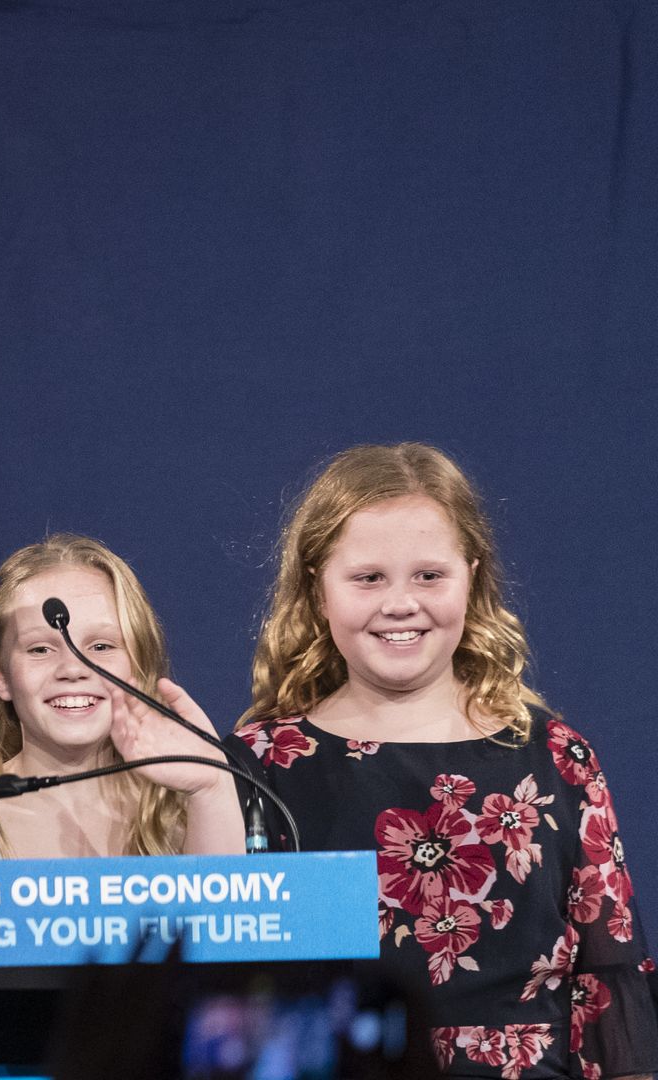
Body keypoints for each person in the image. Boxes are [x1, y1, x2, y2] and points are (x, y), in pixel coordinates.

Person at [226, 442, 658, 1078]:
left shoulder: (556, 759)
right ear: (319, 591)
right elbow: (234, 995)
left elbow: (610, 982)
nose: (401, 603)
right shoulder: (262, 764)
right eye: (368, 578)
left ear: (472, 576)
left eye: (429, 575)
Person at [0, 534, 244, 861]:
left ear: (138, 664)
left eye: (101, 646)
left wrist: (211, 787)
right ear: (1, 676)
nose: (73, 669)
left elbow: (225, 923)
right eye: (41, 649)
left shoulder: (187, 810)